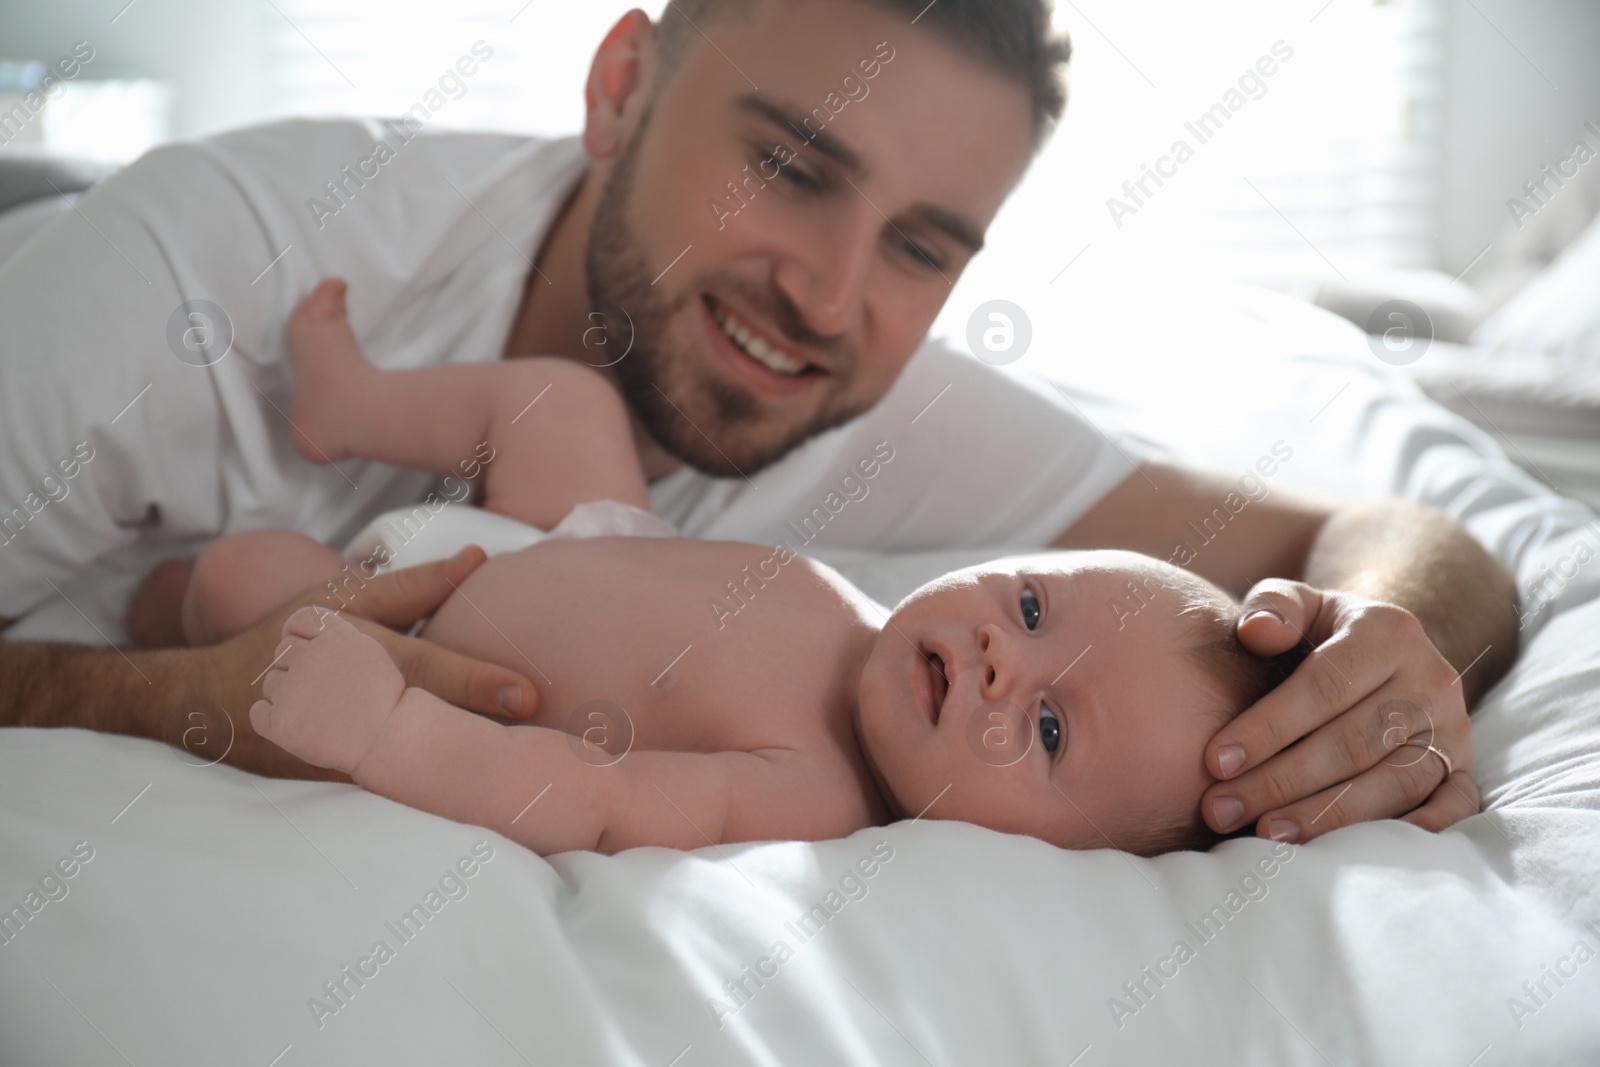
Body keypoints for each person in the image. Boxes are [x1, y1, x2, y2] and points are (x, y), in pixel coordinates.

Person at [0, 0, 1517, 848]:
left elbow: (1388, 537)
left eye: (923, 245)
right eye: (791, 166)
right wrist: (184, 692)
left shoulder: (871, 405)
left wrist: (1373, 659)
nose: (828, 296)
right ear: (620, 87)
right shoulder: (196, 275)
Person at [155, 275, 1302, 856]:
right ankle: (351, 406)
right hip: (589, 533)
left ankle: (159, 606)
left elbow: (597, 803)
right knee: (564, 398)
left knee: (248, 582)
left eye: (1050, 729)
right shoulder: (862, 616)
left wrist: (387, 731)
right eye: (1034, 602)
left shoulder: (811, 791)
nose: (1006, 656)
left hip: (427, 640)